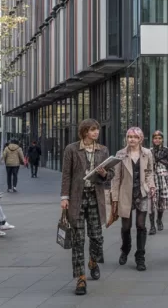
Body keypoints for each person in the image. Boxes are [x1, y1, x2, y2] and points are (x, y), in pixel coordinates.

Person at [61, 119, 112, 295]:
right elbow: (66, 174)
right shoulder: (72, 149)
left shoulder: (103, 150)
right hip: (77, 198)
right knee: (78, 239)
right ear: (84, 132)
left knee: (97, 237)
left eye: (97, 129)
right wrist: (64, 197)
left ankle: (93, 261)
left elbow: (109, 174)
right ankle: (80, 278)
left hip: (95, 198)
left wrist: (105, 173)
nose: (96, 132)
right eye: (92, 130)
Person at [111, 127, 155, 271]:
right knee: (126, 226)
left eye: (135, 137)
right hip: (126, 194)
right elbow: (116, 178)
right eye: (129, 137)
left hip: (142, 193)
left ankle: (140, 257)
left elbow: (150, 172)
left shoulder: (147, 153)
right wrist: (115, 198)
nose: (132, 139)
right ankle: (125, 249)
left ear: (140, 139)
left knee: (141, 225)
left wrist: (150, 186)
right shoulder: (120, 154)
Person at [149, 130, 168, 234]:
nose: (157, 140)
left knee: (161, 201)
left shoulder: (166, 150)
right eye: (155, 138)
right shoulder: (149, 151)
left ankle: (159, 220)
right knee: (151, 202)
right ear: (152, 139)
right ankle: (152, 226)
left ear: (162, 139)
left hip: (163, 177)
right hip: (152, 177)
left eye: (159, 138)